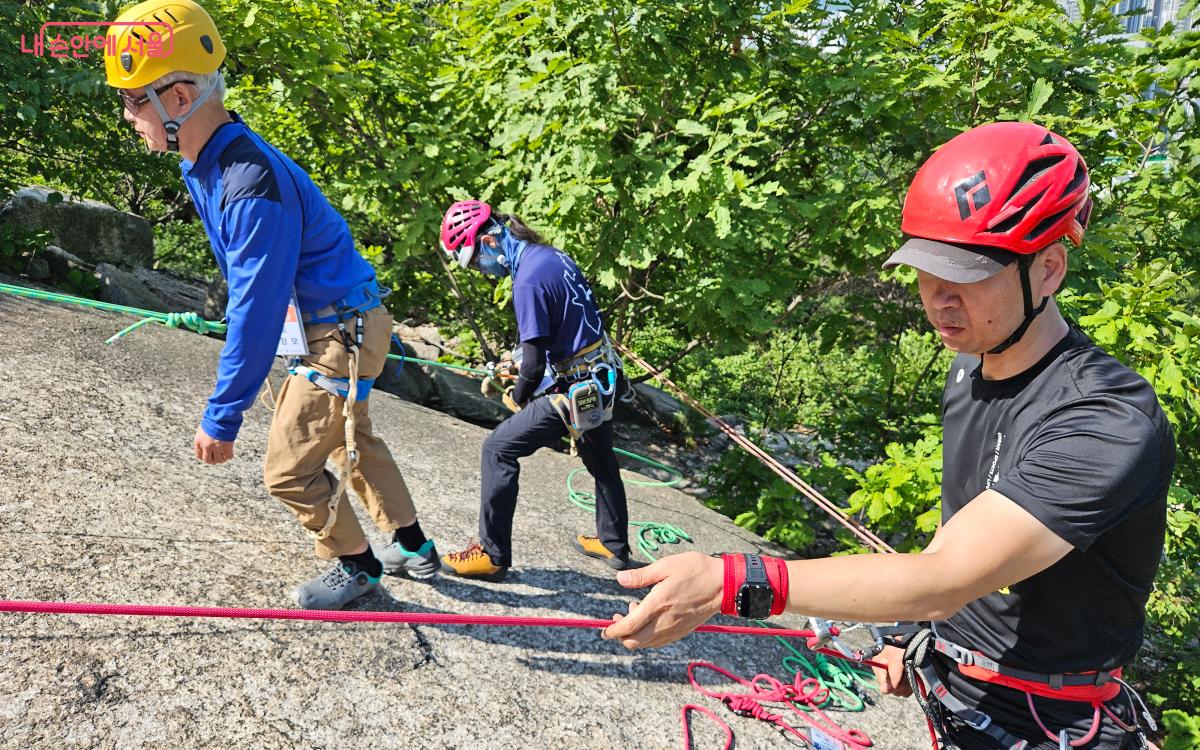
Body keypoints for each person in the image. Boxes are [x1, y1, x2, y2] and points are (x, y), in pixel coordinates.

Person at [601, 122, 1175, 750]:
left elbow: (951, 573)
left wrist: (733, 580)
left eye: (968, 275)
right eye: (927, 271)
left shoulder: (1105, 419)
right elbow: (964, 532)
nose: (937, 300)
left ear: (1048, 271)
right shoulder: (970, 369)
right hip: (960, 688)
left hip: (1050, 721)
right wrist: (910, 626)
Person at [104, 0, 440, 610]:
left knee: (288, 469)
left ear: (177, 98)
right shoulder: (210, 162)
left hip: (340, 330)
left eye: (132, 100)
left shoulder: (246, 181)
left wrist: (222, 415)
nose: (128, 116)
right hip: (346, 321)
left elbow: (256, 306)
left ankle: (357, 566)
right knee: (348, 439)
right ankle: (413, 546)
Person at [436, 200, 642, 580]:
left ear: (491, 240)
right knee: (601, 460)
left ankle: (491, 554)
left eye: (475, 260)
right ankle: (614, 545)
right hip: (601, 376)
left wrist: (517, 396)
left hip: (576, 388)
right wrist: (518, 366)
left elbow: (533, 366)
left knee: (498, 449)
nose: (480, 270)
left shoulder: (526, 280)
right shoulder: (550, 256)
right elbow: (561, 328)